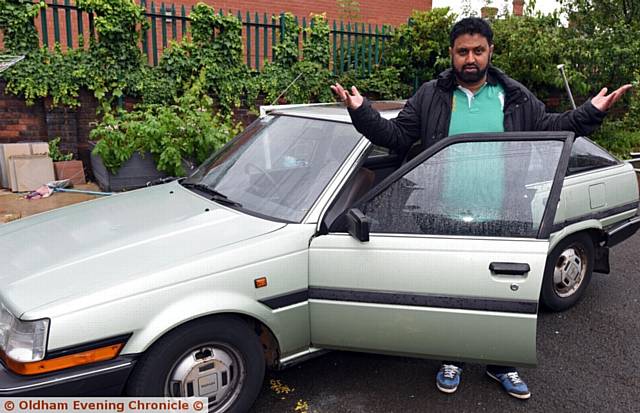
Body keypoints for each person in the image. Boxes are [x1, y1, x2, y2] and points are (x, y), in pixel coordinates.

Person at [331, 17, 631, 400]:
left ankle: (501, 363)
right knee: (449, 293)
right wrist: (362, 111)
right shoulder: (431, 96)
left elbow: (553, 126)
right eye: (462, 52)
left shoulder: (515, 96)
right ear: (452, 54)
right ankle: (451, 357)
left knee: (504, 296)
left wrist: (591, 111)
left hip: (504, 215)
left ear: (490, 51)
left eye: (478, 51)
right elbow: (398, 137)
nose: (470, 59)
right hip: (442, 215)